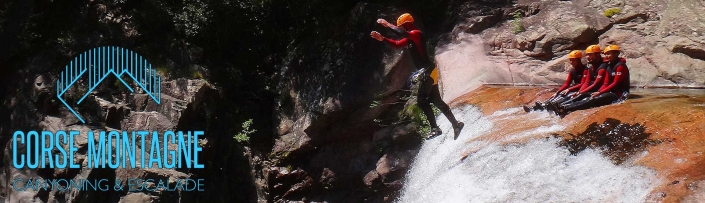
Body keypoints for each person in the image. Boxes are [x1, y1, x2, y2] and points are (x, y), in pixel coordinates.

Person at [371, 13, 464, 139]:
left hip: (427, 71)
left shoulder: (416, 34)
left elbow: (402, 34)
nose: (402, 28)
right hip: (429, 71)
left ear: (406, 24)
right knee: (436, 100)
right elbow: (398, 44)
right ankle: (456, 124)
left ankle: (435, 129)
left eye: (402, 26)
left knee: (421, 100)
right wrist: (383, 38)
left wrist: (388, 25)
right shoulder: (410, 38)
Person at [552, 45, 630, 116]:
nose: (606, 56)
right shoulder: (609, 66)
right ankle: (562, 106)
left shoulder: (620, 66)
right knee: (584, 95)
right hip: (610, 91)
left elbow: (615, 83)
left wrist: (599, 92)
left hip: (620, 93)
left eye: (609, 54)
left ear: (616, 54)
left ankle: (566, 108)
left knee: (594, 99)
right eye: (606, 54)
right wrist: (597, 92)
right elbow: (605, 84)